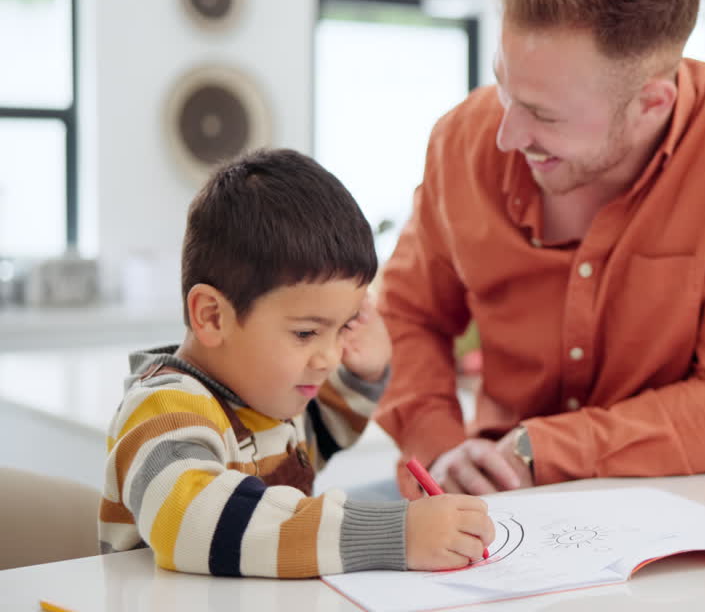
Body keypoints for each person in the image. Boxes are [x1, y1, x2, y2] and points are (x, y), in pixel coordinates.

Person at [376, 0, 705, 498]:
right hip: (497, 495)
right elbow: (407, 315)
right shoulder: (462, 140)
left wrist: (539, 451)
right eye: (504, 87)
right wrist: (440, 450)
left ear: (652, 103)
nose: (506, 135)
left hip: (687, 493)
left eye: (543, 113)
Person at [98, 148, 494, 577]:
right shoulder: (163, 413)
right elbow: (199, 523)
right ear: (212, 316)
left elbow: (320, 435)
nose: (329, 358)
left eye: (343, 327)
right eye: (307, 332)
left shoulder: (263, 396)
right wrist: (392, 535)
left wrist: (366, 373)